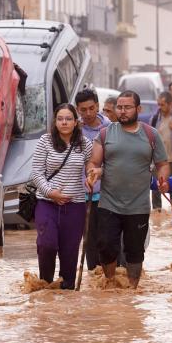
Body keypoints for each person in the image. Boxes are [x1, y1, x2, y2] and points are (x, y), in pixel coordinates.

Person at [86, 90, 170, 288]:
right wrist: (93, 172)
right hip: (109, 203)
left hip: (138, 205)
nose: (122, 111)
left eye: (127, 107)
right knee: (106, 246)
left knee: (134, 252)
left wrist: (163, 179)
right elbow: (93, 162)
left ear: (138, 109)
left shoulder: (151, 134)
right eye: (120, 107)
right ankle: (110, 283)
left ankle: (133, 289)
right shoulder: (105, 133)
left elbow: (162, 163)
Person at [30, 103, 92, 289]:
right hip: (47, 203)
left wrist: (91, 176)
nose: (64, 122)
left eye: (68, 119)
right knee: (46, 245)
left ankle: (67, 293)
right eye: (60, 119)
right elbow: (36, 173)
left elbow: (92, 166)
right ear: (55, 122)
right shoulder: (45, 141)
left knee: (70, 252)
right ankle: (46, 285)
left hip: (75, 206)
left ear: (75, 122)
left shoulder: (85, 144)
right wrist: (51, 192)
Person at [75, 89, 111, 272]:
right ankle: (94, 277)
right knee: (89, 241)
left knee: (108, 240)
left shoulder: (110, 129)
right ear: (77, 110)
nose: (88, 113)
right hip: (83, 196)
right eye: (83, 110)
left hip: (108, 195)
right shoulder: (74, 131)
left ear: (97, 106)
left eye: (91, 108)